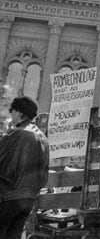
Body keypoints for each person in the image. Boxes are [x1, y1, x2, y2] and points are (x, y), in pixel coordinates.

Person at [0, 96, 49, 239]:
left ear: (20, 113)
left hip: (9, 195)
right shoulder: (42, 137)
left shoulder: (16, 134)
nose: (11, 115)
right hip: (28, 199)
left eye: (13, 111)